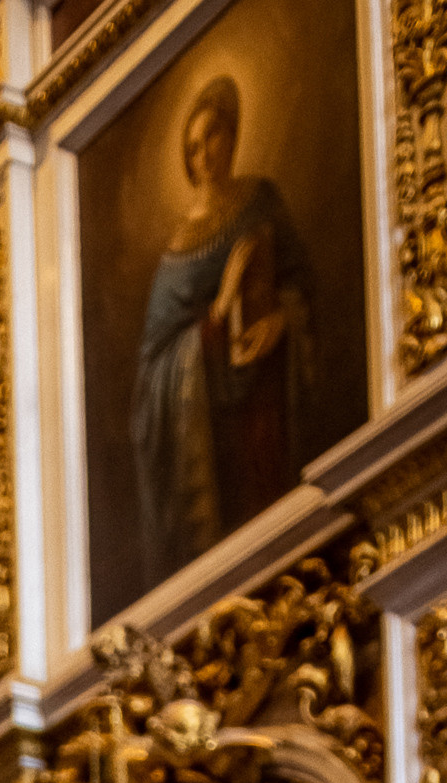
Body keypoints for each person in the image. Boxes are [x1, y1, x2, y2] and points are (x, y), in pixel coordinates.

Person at [131, 75, 313, 590]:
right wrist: (220, 310)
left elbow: (302, 285)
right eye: (192, 147)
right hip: (210, 432)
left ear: (232, 135)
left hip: (267, 405)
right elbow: (154, 370)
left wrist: (282, 320)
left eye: (212, 137)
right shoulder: (177, 251)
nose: (204, 155)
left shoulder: (262, 201)